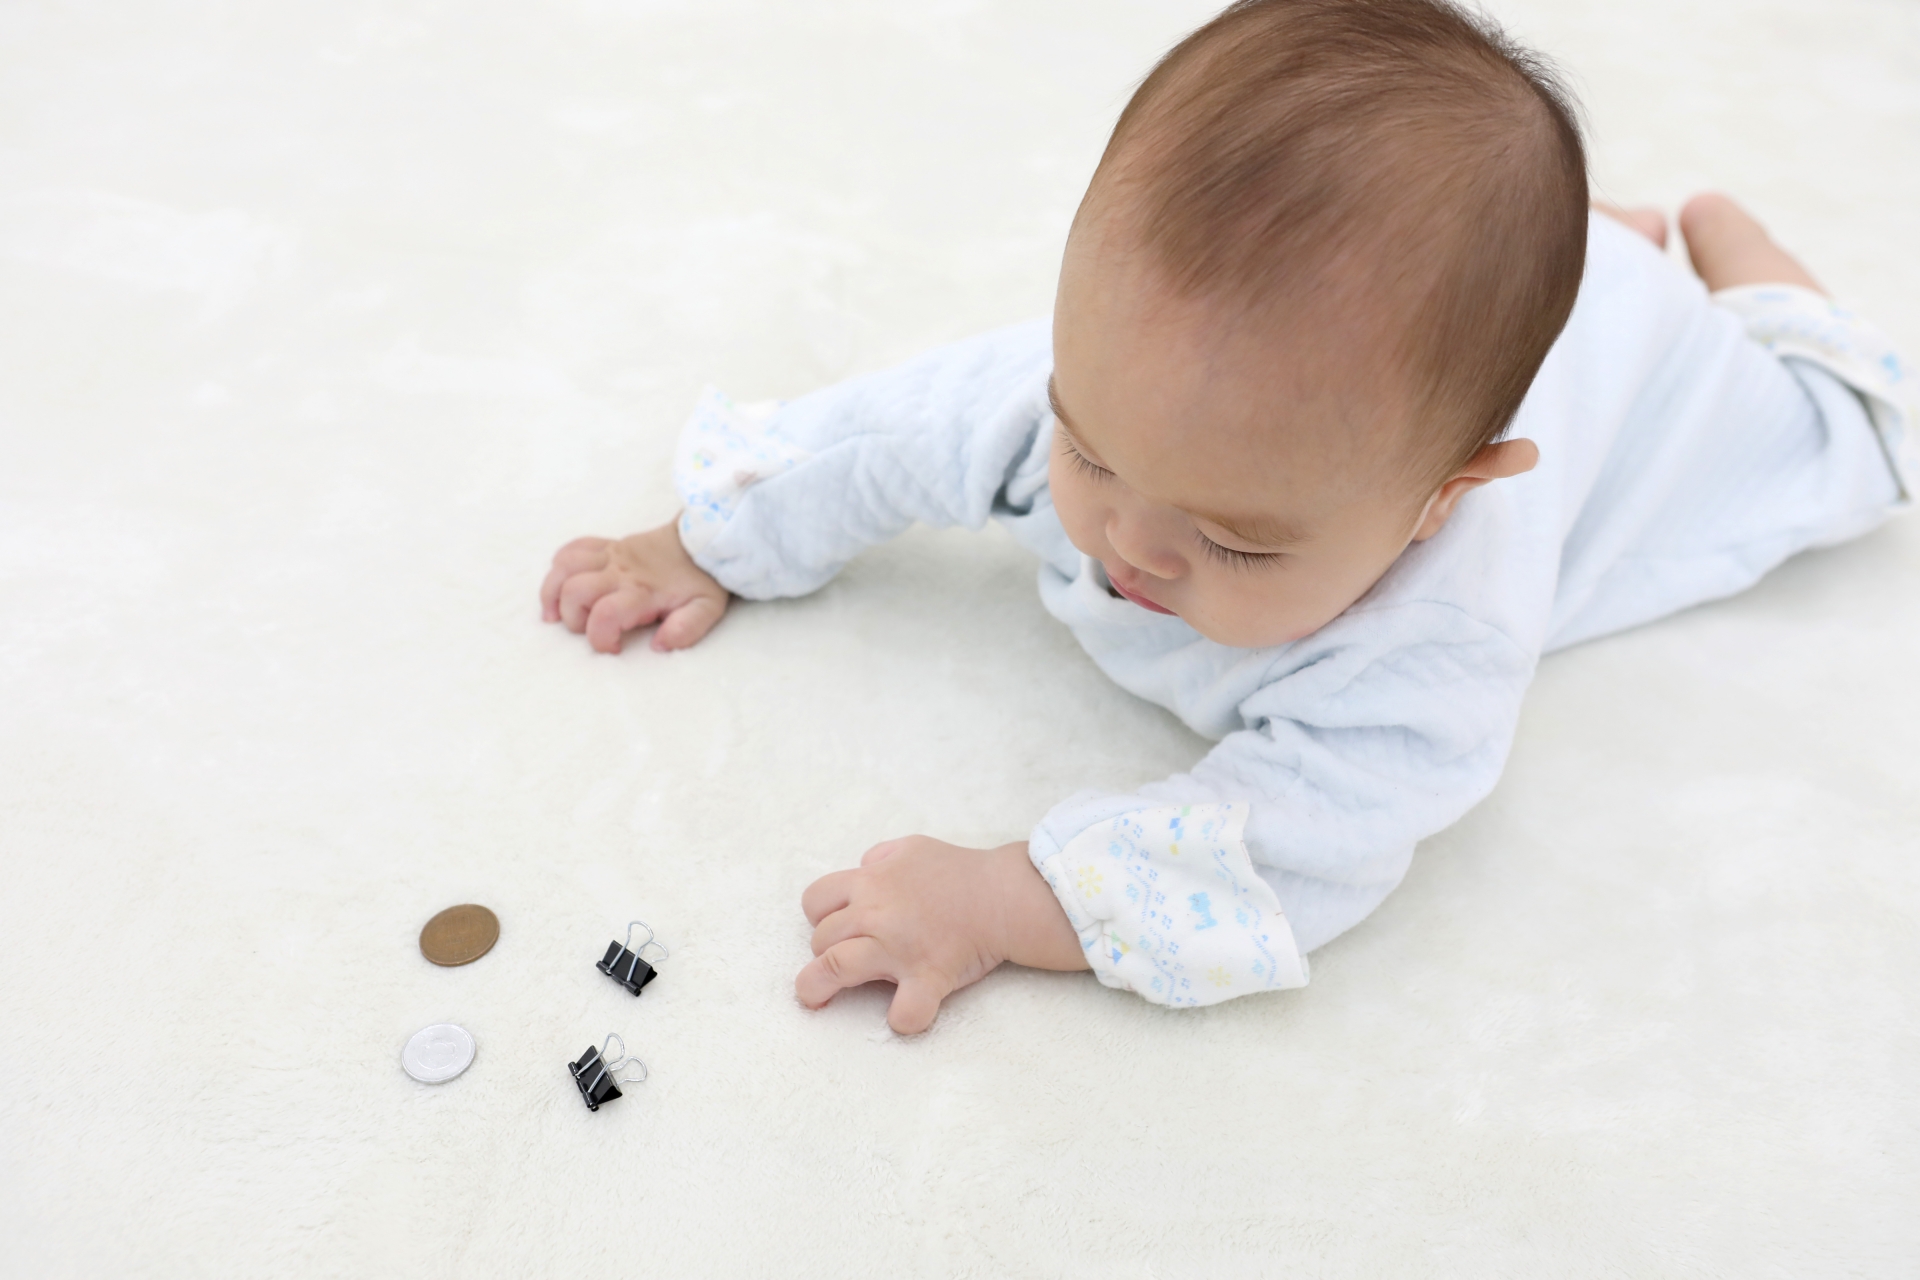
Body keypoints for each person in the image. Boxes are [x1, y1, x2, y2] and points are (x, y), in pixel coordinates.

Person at [538, 0, 1913, 1032]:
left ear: (1442, 501)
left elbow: (1300, 842)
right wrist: (709, 538)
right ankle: (1606, 240)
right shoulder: (1140, 393)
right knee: (1527, 266)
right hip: (1545, 296)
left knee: (1854, 443)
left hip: (1663, 380)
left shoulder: (1438, 647)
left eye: (1238, 541)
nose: (1127, 543)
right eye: (1087, 451)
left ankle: (1733, 261)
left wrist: (1014, 898)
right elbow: (900, 430)